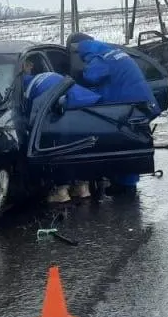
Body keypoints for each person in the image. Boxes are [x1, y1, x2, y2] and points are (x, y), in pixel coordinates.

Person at [67, 33, 160, 195]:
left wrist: (78, 73)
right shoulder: (110, 51)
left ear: (77, 48)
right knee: (130, 143)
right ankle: (125, 184)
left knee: (124, 144)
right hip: (139, 102)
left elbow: (92, 76)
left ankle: (125, 186)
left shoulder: (97, 57)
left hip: (128, 106)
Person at [21, 68, 100, 203]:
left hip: (62, 110)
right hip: (83, 106)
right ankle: (82, 187)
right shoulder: (48, 75)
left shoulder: (28, 88)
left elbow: (31, 117)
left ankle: (61, 192)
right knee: (80, 148)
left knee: (59, 150)